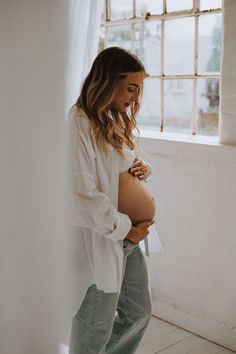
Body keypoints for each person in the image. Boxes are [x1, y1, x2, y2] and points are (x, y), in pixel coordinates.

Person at [66, 46, 156, 354]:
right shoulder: (79, 123)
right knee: (94, 326)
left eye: (138, 90)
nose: (134, 97)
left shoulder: (113, 118)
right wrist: (123, 228)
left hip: (128, 242)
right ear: (108, 80)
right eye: (131, 88)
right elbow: (80, 194)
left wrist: (144, 168)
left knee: (138, 313)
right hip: (104, 239)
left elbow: (120, 168)